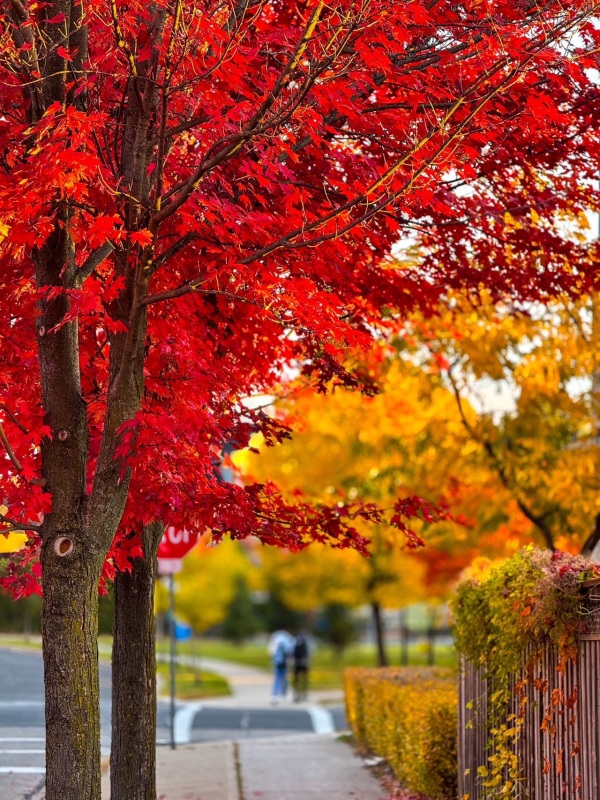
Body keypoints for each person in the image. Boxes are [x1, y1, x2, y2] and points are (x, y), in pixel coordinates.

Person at [268, 629, 294, 704]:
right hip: (284, 661)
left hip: (277, 661)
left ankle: (275, 695)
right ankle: (284, 694)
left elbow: (271, 651)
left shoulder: (276, 638)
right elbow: (290, 650)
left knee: (278, 678)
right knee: (284, 678)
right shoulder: (287, 638)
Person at [292, 631, 310, 702]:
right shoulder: (305, 641)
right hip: (304, 662)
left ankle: (297, 692)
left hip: (297, 662)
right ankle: (303, 692)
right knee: (304, 678)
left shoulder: (296, 641)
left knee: (296, 678)